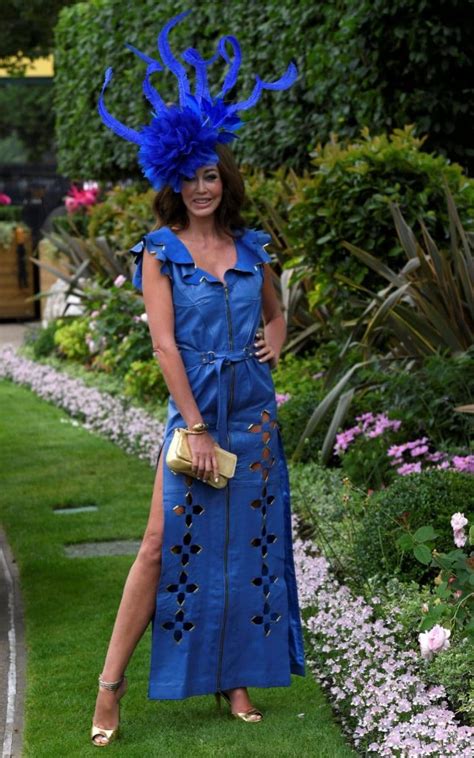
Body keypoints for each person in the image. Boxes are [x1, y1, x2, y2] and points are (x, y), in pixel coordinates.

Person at [92, 10, 305, 746]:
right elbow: (163, 346)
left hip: (254, 415)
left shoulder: (253, 247)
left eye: (209, 173)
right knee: (159, 545)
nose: (201, 188)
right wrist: (197, 428)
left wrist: (271, 345)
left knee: (246, 546)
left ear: (224, 174)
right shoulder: (159, 249)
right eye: (187, 178)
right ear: (171, 183)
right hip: (199, 415)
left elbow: (277, 313)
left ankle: (236, 681)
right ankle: (110, 689)